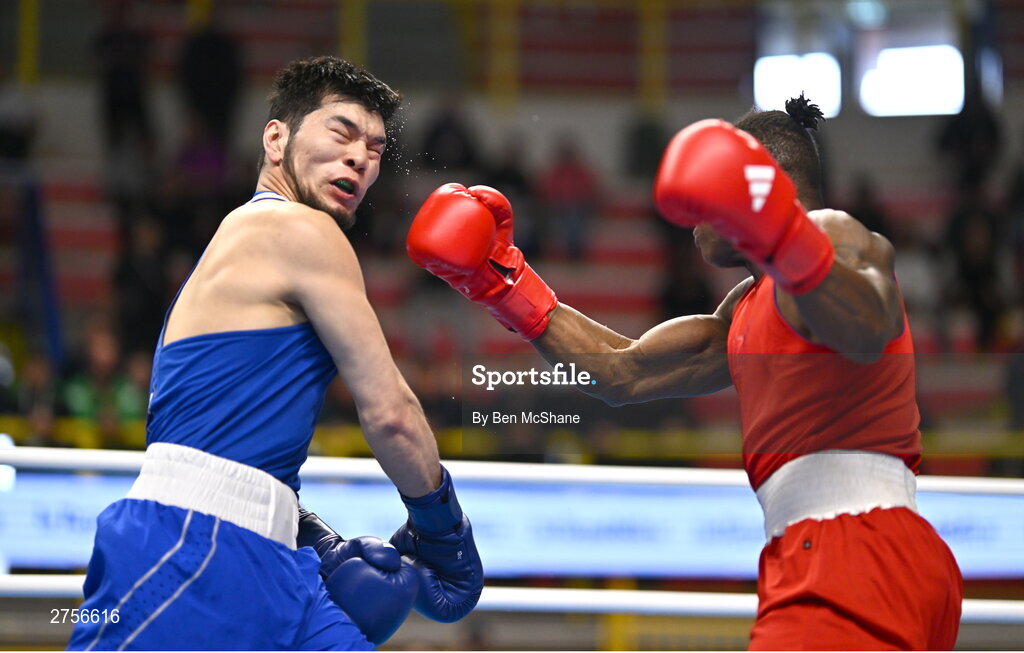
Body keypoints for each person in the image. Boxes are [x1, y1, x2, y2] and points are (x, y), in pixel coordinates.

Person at [405, 95, 962, 650]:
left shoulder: (832, 234)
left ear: (755, 185)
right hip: (856, 554)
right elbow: (624, 374)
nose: (693, 221)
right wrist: (504, 284)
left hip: (850, 552)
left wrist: (783, 233)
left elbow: (871, 323)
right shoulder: (747, 308)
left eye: (706, 200)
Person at [68, 56, 482, 651]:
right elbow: (391, 412)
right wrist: (443, 527)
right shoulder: (302, 231)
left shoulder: (240, 246)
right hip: (187, 549)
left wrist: (302, 528)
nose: (361, 158)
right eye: (341, 131)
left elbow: (230, 433)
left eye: (376, 147)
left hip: (268, 557)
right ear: (276, 136)